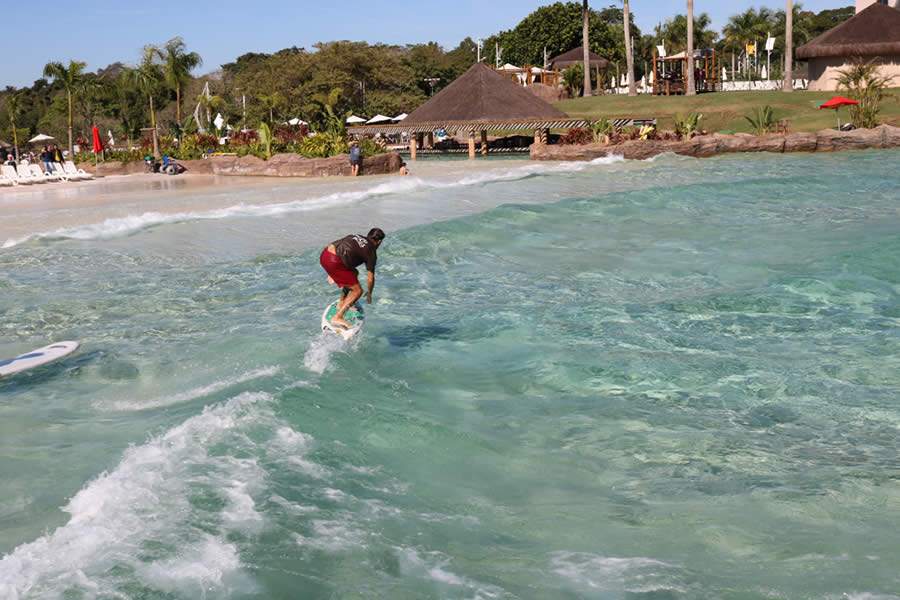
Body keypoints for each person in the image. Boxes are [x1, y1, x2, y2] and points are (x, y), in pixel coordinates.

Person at [319, 228, 385, 329]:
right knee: (358, 291)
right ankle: (338, 317)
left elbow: (335, 244)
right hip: (334, 262)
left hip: (325, 255)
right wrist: (369, 293)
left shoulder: (356, 236)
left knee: (354, 273)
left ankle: (341, 302)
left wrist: (331, 270)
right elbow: (370, 278)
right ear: (379, 242)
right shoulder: (371, 251)